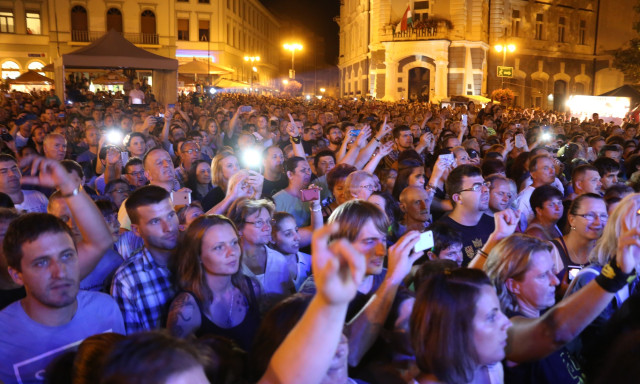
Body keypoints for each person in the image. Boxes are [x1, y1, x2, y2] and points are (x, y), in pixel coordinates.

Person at [482, 229, 640, 384]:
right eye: (543, 275)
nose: (555, 281)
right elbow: (551, 332)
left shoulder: (542, 310)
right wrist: (616, 273)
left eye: (553, 271)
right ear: (513, 285)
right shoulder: (506, 330)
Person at [0, 211, 124, 383]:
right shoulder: (3, 336)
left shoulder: (105, 309)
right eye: (41, 262)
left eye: (67, 256)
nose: (60, 272)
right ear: (17, 275)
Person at [300, 200, 421, 373]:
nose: (381, 251)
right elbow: (350, 356)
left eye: (383, 240)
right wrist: (392, 280)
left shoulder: (386, 275)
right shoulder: (317, 290)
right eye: (369, 241)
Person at [166, 215, 261, 351]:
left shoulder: (251, 288)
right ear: (198, 256)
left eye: (234, 243)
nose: (231, 252)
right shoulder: (186, 308)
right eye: (219, 247)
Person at [410, 269, 511, 384]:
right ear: (454, 330)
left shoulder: (493, 370)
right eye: (491, 317)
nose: (507, 323)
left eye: (500, 311)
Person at [111, 185, 180, 334]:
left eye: (170, 215)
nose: (168, 227)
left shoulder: (199, 255)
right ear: (136, 230)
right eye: (155, 221)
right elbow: (133, 345)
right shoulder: (128, 279)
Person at [437, 164, 495, 265]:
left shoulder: (495, 224)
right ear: (458, 198)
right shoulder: (439, 233)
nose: (486, 189)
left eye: (485, 184)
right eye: (477, 187)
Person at [272, 156, 324, 227]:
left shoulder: (312, 195)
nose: (308, 173)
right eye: (303, 170)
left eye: (309, 169)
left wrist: (316, 204)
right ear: (290, 174)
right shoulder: (277, 200)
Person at [271, 211, 312, 291]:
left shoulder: (310, 261)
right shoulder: (268, 272)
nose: (297, 238)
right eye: (288, 234)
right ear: (272, 238)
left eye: (296, 230)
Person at [515, 155, 556, 230]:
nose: (552, 171)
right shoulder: (525, 198)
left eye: (553, 167)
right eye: (546, 168)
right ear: (533, 174)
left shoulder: (550, 191)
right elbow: (523, 227)